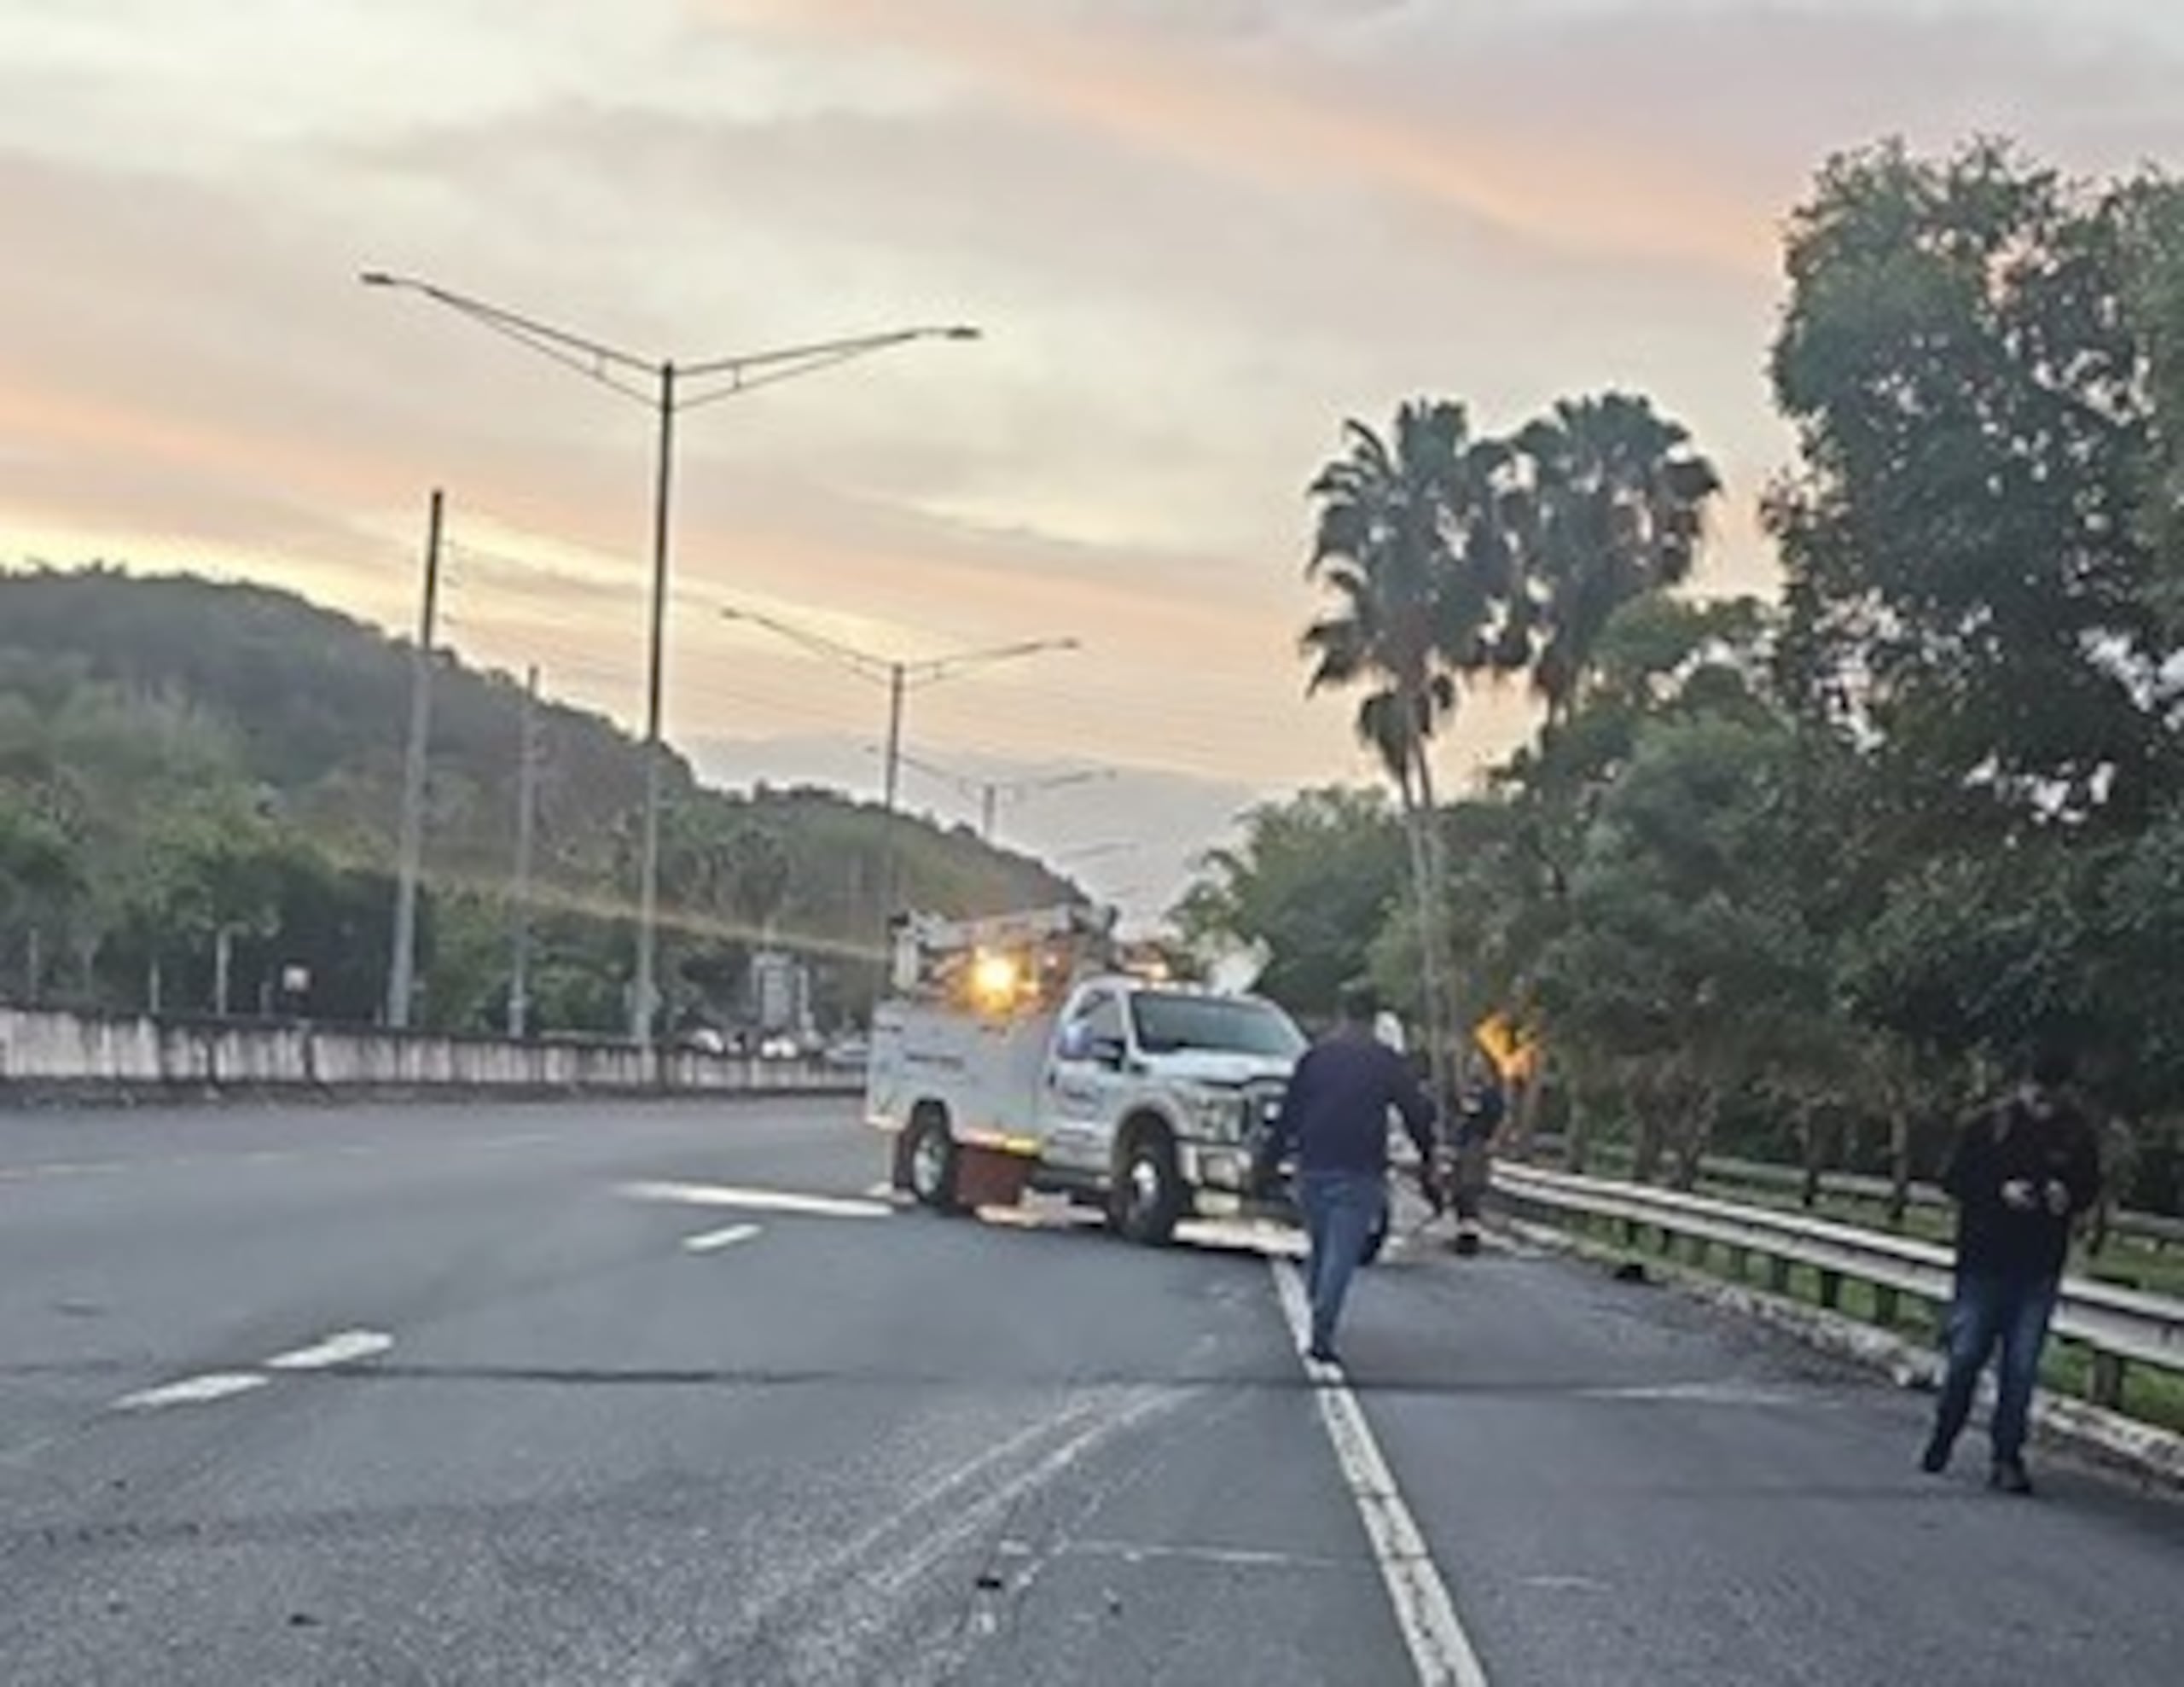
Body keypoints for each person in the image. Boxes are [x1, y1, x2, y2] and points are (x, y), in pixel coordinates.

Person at [1921, 1043, 2100, 1494]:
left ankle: (2007, 1457)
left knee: (2021, 1368)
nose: (2045, 1105)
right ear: (2023, 1086)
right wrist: (2000, 1192)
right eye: (2039, 1094)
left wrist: (2068, 1196)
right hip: (1984, 1262)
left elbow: (2089, 1187)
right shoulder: (1990, 1126)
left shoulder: (2076, 1134)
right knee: (1966, 1356)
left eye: (2054, 1097)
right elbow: (1953, 1179)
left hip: (2038, 1268)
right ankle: (1946, 1430)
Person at [1269, 985, 1438, 1366]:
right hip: (1360, 1167)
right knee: (1341, 1254)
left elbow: (1289, 1114)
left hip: (1312, 1164)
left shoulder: (1315, 1058)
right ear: (1374, 1018)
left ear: (1341, 1014)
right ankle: (1322, 1329)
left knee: (1322, 1245)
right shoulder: (1386, 1062)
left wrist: (1269, 1163)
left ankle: (1317, 1309)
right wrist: (1428, 1156)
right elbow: (1415, 1112)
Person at [1450, 1058, 1507, 1257]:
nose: (1473, 1069)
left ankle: (1470, 1240)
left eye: (1478, 1066)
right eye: (1472, 1065)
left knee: (1469, 1190)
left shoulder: (1492, 1095)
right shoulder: (1469, 1093)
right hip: (1463, 1145)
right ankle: (1462, 1234)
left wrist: (1493, 1142)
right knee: (1459, 1192)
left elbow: (1501, 1120)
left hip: (1477, 1144)